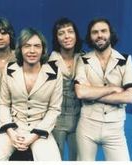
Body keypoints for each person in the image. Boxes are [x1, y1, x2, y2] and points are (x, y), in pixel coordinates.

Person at [0, 27, 62, 161]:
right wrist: (11, 132)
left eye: (37, 46)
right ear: (20, 49)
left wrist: (33, 136)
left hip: (39, 130)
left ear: (43, 49)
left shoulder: (54, 72)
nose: (32, 51)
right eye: (27, 46)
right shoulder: (10, 69)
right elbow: (4, 104)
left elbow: (54, 109)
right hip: (13, 128)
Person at [74, 18, 132, 161]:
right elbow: (80, 92)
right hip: (87, 126)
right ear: (90, 37)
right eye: (94, 32)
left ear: (110, 34)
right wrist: (112, 88)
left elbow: (130, 97)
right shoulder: (83, 60)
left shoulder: (125, 60)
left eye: (103, 31)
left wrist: (92, 93)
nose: (99, 35)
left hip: (115, 128)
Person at [0, 17, 33, 160]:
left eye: (4, 33)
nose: (0, 37)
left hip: (19, 117)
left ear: (11, 35)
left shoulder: (21, 57)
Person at [49, 17, 83, 160]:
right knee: (56, 158)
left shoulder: (85, 58)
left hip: (80, 119)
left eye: (70, 31)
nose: (67, 36)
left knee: (78, 158)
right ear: (56, 38)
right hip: (57, 121)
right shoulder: (48, 62)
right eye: (61, 33)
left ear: (76, 35)